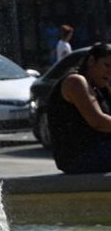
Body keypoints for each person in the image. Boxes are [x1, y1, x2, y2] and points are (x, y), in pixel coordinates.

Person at [47, 42, 111, 173]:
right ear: (91, 61)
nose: (110, 72)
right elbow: (98, 122)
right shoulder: (75, 81)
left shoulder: (99, 86)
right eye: (107, 66)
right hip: (80, 157)